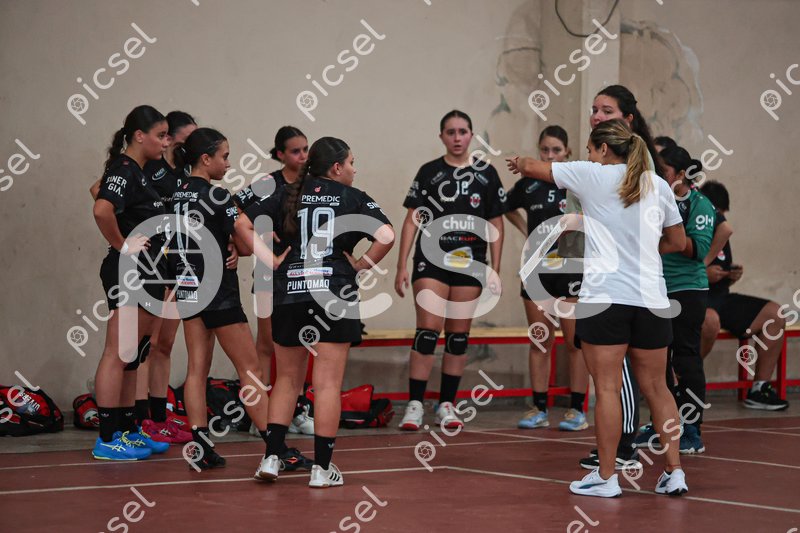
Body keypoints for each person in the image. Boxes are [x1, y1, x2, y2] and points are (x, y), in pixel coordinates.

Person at [508, 118, 689, 498]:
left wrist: (518, 162)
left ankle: (607, 478)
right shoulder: (657, 184)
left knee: (607, 389)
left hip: (605, 299)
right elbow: (677, 241)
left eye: (591, 149)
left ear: (604, 149)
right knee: (658, 388)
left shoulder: (591, 175)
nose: (589, 155)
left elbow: (533, 167)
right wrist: (642, 250)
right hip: (652, 301)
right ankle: (674, 472)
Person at [236, 137, 394, 488]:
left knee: (286, 380)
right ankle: (322, 469)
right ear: (337, 167)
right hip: (333, 292)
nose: (354, 169)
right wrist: (360, 266)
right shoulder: (352, 197)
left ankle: (272, 458)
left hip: (290, 291)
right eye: (351, 162)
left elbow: (241, 223)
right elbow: (386, 235)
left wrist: (272, 260)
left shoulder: (287, 193)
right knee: (327, 385)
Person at [395, 110, 507, 431]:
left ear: (471, 135)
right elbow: (412, 220)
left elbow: (496, 223)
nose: (457, 138)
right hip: (431, 262)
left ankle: (446, 404)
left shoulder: (487, 174)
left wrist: (495, 269)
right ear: (441, 136)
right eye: (450, 132)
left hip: (470, 263)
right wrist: (401, 265)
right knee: (428, 332)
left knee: (458, 337)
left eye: (462, 131)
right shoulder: (429, 172)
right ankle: (415, 405)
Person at [170, 127, 274, 470]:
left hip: (187, 287)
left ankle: (200, 445)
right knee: (251, 369)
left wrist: (224, 242)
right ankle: (276, 448)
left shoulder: (176, 193)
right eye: (224, 156)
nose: (228, 164)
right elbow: (244, 243)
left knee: (196, 369)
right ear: (206, 159)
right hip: (218, 292)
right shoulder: (217, 195)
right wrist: (235, 245)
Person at [575, 85, 664, 471]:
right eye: (594, 109)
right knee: (634, 380)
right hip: (623, 286)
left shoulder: (642, 173)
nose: (596, 116)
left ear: (628, 120)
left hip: (625, 289)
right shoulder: (596, 170)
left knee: (618, 378)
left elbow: (668, 237)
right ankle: (671, 468)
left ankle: (620, 450)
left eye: (606, 110)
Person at [91, 105, 171, 460]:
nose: (165, 143)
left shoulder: (138, 172)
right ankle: (107, 438)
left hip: (149, 272)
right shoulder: (123, 169)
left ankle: (126, 429)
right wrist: (122, 245)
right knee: (118, 352)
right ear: (139, 135)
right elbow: (101, 208)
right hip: (130, 271)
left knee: (133, 354)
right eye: (160, 135)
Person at [504, 125, 589, 431]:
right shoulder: (528, 184)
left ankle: (577, 410)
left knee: (575, 342)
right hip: (537, 270)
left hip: (571, 269)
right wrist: (526, 231)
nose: (550, 155)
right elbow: (506, 207)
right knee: (540, 340)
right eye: (545, 150)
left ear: (567, 152)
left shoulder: (577, 182)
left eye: (556, 150)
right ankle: (538, 408)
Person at [233, 126, 314, 436]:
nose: (303, 156)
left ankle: (297, 410)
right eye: (295, 151)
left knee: (301, 344)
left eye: (306, 149)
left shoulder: (313, 184)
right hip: (270, 274)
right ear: (280, 154)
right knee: (266, 343)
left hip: (304, 275)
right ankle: (262, 415)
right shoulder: (268, 183)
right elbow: (233, 209)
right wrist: (258, 232)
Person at [635, 147, 715, 455]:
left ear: (681, 175)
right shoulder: (652, 198)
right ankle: (664, 425)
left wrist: (668, 236)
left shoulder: (699, 205)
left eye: (664, 171)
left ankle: (691, 429)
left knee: (686, 357)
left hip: (687, 290)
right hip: (656, 288)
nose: (658, 176)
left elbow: (698, 249)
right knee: (658, 362)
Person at [700, 181, 789, 410]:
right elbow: (675, 271)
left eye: (723, 214)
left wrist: (730, 275)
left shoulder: (721, 235)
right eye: (718, 214)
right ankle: (682, 381)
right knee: (710, 320)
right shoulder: (690, 230)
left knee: (775, 314)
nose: (721, 220)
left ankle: (759, 388)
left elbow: (720, 269)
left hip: (721, 298)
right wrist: (703, 274)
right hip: (696, 299)